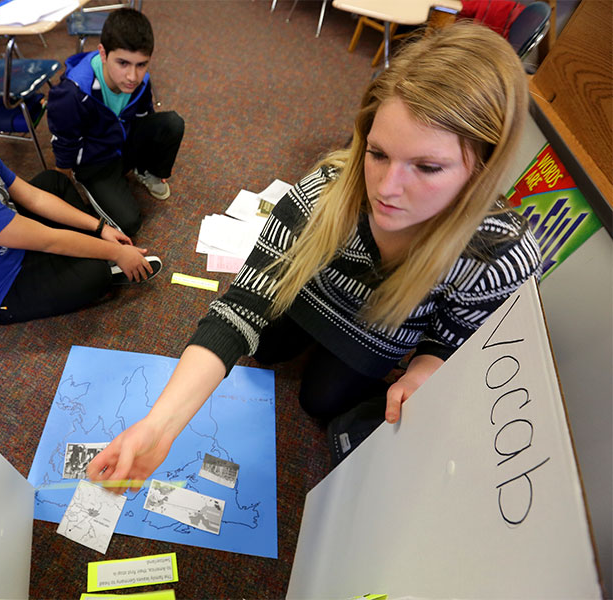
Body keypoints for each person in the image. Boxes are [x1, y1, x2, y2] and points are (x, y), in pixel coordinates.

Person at [87, 23, 542, 488]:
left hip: (380, 328)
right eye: (378, 153)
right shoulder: (325, 190)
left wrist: (424, 369)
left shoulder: (498, 253)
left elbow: (452, 336)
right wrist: (159, 426)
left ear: (483, 166)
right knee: (262, 347)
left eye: (426, 167)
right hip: (309, 288)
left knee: (320, 401)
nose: (386, 189)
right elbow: (240, 307)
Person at [0, 73, 162, 330]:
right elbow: (49, 240)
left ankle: (89, 251)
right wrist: (116, 253)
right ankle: (104, 266)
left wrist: (99, 228)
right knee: (94, 277)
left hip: (2, 241)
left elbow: (32, 197)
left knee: (53, 182)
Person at [46, 7, 185, 236]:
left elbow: (144, 117)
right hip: (95, 162)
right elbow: (64, 141)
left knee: (172, 123)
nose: (133, 76)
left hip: (123, 142)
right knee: (129, 223)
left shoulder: (141, 81)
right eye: (123, 63)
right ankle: (91, 185)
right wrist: (64, 188)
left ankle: (144, 171)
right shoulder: (72, 94)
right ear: (103, 53)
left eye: (141, 64)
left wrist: (145, 151)